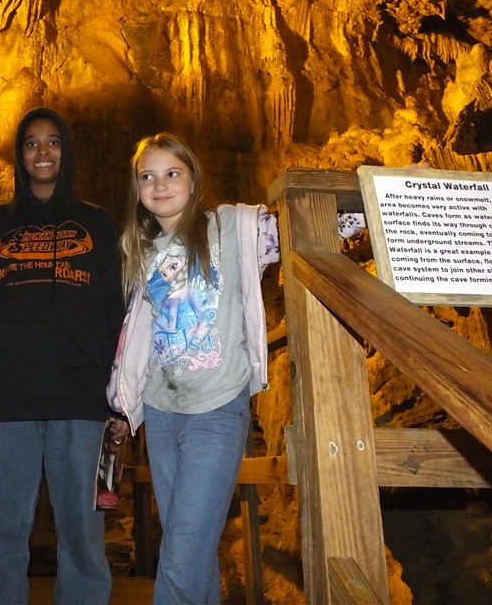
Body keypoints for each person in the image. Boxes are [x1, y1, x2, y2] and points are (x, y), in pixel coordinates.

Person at [108, 133, 365, 605]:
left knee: (182, 550)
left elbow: (302, 227)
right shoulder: (138, 249)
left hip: (216, 408)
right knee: (192, 544)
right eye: (147, 176)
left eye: (172, 173)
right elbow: (136, 332)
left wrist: (375, 200)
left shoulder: (227, 230)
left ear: (193, 179)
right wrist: (123, 401)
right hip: (161, 411)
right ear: (136, 188)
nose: (159, 185)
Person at [0, 108, 124, 605]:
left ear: (67, 150)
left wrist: (121, 397)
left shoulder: (98, 225)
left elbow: (120, 314)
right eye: (32, 143)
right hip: (5, 405)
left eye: (53, 141)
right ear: (20, 155)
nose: (43, 152)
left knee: (83, 536)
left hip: (81, 403)